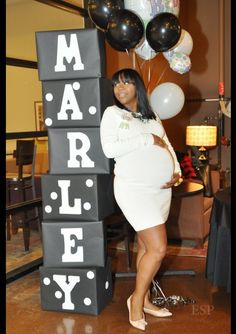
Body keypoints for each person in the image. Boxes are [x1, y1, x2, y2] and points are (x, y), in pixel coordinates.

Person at [100, 68, 183, 331]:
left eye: (125, 83)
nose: (120, 88)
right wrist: (147, 139)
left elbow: (167, 144)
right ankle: (135, 300)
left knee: (146, 247)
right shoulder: (113, 114)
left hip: (160, 189)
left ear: (138, 86)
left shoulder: (152, 115)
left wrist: (177, 172)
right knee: (158, 248)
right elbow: (110, 149)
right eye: (116, 84)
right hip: (133, 188)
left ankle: (145, 299)